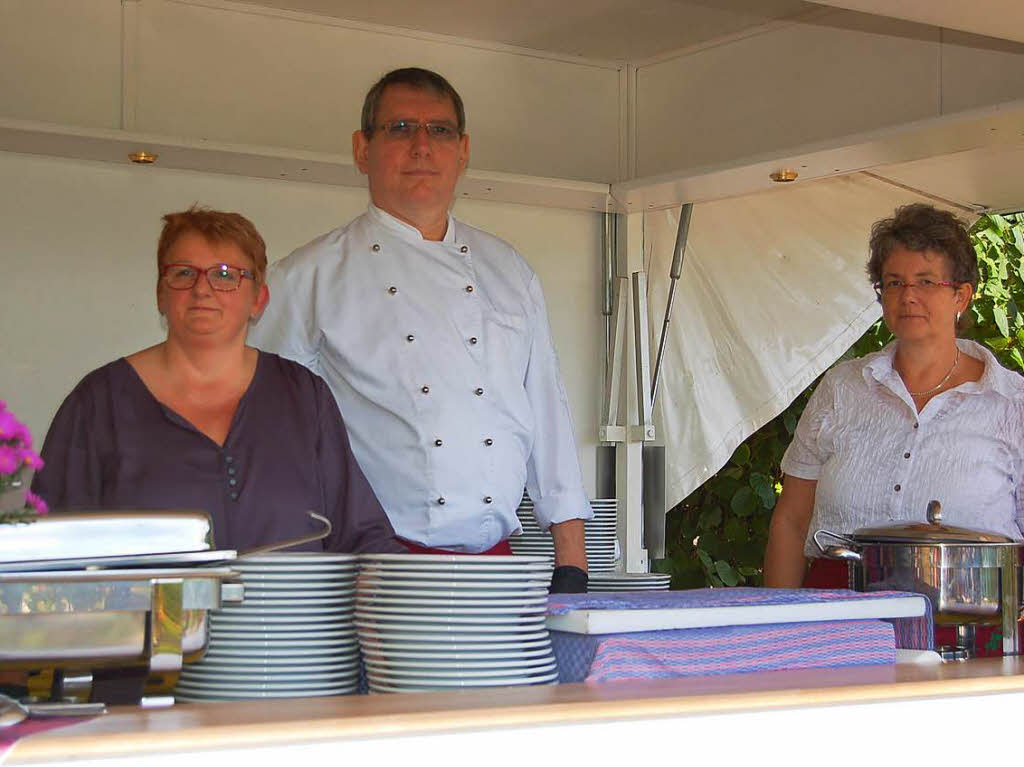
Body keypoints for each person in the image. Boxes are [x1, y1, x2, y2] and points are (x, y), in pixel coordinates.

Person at [248, 67, 592, 592]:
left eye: (440, 130)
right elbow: (269, 437)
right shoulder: (308, 277)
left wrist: (572, 561)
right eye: (401, 128)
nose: (421, 146)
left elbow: (547, 412)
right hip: (371, 573)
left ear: (463, 151)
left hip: (499, 570)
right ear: (363, 149)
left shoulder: (509, 269)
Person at [32, 206, 401, 554]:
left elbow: (361, 533)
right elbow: (52, 548)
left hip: (287, 621)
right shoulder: (98, 402)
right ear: (161, 294)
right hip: (145, 622)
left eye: (226, 275)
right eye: (183, 273)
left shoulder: (302, 395)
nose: (202, 289)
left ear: (259, 299)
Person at [764, 203, 1024, 595]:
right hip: (838, 618)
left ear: (961, 296)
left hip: (970, 620)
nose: (908, 297)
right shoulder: (841, 387)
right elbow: (792, 520)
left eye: (926, 282)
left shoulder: (1013, 403)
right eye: (894, 282)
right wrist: (779, 632)